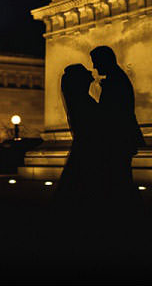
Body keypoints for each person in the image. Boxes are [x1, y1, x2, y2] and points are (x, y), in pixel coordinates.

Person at [90, 45, 145, 214]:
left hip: (117, 137)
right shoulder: (116, 78)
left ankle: (123, 210)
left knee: (119, 176)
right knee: (120, 175)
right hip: (121, 136)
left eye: (96, 62)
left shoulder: (115, 81)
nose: (94, 67)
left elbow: (110, 113)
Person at [55, 64, 107, 205]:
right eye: (85, 72)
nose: (91, 71)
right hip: (91, 147)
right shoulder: (82, 101)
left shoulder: (80, 100)